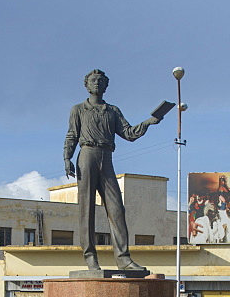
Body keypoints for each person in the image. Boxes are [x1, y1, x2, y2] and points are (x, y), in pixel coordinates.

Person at [63, 69, 163, 271]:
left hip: (107, 157)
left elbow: (128, 133)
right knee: (87, 209)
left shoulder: (113, 111)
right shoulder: (78, 109)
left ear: (106, 85)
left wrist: (148, 122)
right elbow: (72, 135)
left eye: (101, 80)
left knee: (117, 208)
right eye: (93, 80)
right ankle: (90, 257)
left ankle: (123, 258)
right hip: (87, 155)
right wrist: (67, 157)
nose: (97, 83)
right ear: (87, 85)